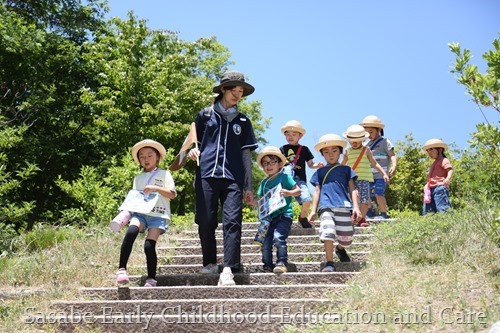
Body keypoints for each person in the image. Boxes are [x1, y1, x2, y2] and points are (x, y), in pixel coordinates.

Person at [187, 70, 258, 286]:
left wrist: (248, 186)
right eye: (233, 90)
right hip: (206, 174)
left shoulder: (244, 121)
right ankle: (209, 263)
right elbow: (192, 143)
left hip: (233, 179)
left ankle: (228, 268)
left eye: (240, 91)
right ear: (223, 90)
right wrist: (191, 151)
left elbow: (246, 155)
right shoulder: (205, 115)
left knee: (232, 221)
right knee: (206, 220)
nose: (237, 94)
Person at [116, 140, 177, 287]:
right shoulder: (138, 179)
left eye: (150, 155)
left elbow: (172, 194)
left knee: (149, 246)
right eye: (142, 157)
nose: (146, 159)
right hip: (141, 213)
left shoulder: (165, 174)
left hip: (158, 215)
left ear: (157, 157)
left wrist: (155, 188)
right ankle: (121, 269)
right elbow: (135, 199)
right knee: (131, 232)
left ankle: (151, 279)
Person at [308, 134, 361, 272]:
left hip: (344, 206)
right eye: (326, 152)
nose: (330, 155)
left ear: (340, 152)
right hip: (325, 206)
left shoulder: (346, 170)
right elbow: (317, 192)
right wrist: (313, 211)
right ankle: (329, 262)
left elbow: (353, 188)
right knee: (328, 232)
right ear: (322, 154)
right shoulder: (320, 172)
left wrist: (356, 207)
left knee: (347, 237)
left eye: (334, 151)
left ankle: (340, 248)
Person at [253, 146, 300, 274]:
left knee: (278, 238)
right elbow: (260, 200)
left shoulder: (284, 177)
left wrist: (289, 192)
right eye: (265, 163)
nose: (268, 166)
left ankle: (282, 262)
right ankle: (267, 265)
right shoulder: (264, 183)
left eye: (272, 162)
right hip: (268, 219)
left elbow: (298, 190)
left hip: (284, 215)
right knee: (266, 243)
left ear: (280, 164)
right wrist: (251, 201)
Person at [341, 124, 390, 227]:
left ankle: (362, 218)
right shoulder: (347, 151)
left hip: (364, 178)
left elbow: (374, 163)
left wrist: (384, 173)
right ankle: (353, 215)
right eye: (352, 140)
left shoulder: (366, 150)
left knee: (365, 200)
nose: (354, 143)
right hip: (351, 179)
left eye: (357, 140)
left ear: (362, 139)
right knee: (353, 198)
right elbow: (343, 165)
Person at [279, 120, 324, 228]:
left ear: (300, 136)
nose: (290, 137)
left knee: (307, 199)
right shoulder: (282, 149)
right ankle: (281, 221)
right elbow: (277, 164)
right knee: (281, 202)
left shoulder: (304, 149)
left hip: (299, 180)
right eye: (288, 134)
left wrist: (317, 165)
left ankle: (302, 217)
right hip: (285, 180)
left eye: (294, 134)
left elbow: (310, 164)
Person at [360, 115, 397, 219]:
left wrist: (394, 166)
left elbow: (392, 155)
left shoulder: (385, 142)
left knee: (378, 193)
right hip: (369, 175)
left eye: (371, 132)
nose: (369, 135)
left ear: (379, 130)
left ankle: (384, 213)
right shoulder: (366, 145)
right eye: (366, 133)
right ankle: (370, 211)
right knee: (366, 194)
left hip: (381, 175)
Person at [422, 139, 453, 215]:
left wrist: (448, 178)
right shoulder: (434, 163)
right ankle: (430, 225)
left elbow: (450, 170)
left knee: (443, 208)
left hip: (439, 187)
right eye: (428, 151)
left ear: (440, 149)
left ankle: (447, 224)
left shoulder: (444, 160)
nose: (429, 153)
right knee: (428, 211)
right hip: (430, 189)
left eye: (431, 149)